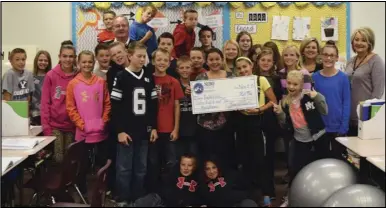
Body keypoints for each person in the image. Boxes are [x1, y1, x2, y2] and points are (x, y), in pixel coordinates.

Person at [110, 42, 158, 206]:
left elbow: (153, 105)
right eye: (139, 56)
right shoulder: (121, 76)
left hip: (144, 130)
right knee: (124, 168)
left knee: (141, 168)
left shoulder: (148, 76)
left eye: (144, 56)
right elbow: (115, 106)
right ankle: (123, 198)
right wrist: (120, 131)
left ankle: (138, 198)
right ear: (129, 56)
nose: (142, 59)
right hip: (127, 131)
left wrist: (154, 128)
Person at [273, 70, 329, 207]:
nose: (291, 87)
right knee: (295, 169)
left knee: (319, 168)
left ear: (302, 85)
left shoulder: (309, 97)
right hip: (299, 141)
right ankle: (290, 197)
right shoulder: (285, 102)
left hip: (318, 138)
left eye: (295, 84)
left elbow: (325, 111)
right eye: (289, 83)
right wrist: (279, 113)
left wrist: (318, 96)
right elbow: (285, 124)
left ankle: (323, 197)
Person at [66, 50, 111, 195]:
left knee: (102, 162)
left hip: (101, 131)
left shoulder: (100, 81)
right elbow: (71, 108)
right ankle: (82, 190)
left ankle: (102, 188)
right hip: (83, 132)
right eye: (84, 62)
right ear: (78, 63)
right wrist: (81, 124)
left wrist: (104, 121)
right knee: (83, 163)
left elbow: (107, 103)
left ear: (94, 63)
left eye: (90, 62)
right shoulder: (73, 84)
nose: (87, 64)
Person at [235, 56, 277, 206]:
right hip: (241, 123)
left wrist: (259, 109)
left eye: (245, 67)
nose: (242, 70)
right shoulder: (235, 83)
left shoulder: (261, 80)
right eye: (239, 68)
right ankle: (249, 195)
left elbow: (273, 101)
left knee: (260, 160)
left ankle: (266, 194)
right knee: (245, 160)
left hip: (257, 123)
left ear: (251, 66)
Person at [147, 48, 184, 193]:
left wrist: (176, 128)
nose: (162, 62)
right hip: (153, 130)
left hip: (169, 129)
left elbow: (177, 106)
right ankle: (153, 191)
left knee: (171, 161)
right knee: (153, 161)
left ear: (169, 63)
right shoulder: (148, 80)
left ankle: (170, 190)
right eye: (159, 59)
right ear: (153, 61)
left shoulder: (173, 81)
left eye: (165, 60)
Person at [195, 48, 235, 169]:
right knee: (207, 155)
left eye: (217, 59)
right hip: (205, 125)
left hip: (226, 124)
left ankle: (224, 183)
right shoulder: (200, 78)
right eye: (211, 59)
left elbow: (236, 98)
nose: (214, 62)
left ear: (222, 60)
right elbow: (197, 100)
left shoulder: (231, 77)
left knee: (225, 155)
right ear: (206, 62)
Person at [312, 41, 351, 157]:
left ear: (337, 58)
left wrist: (344, 126)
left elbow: (346, 102)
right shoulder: (314, 77)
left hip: (338, 126)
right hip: (320, 127)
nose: (328, 58)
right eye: (325, 55)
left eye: (332, 55)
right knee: (321, 158)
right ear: (321, 56)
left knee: (338, 158)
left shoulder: (343, 78)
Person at [345, 27, 385, 136]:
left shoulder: (376, 61)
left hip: (366, 117)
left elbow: (378, 92)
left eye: (363, 40)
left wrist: (367, 116)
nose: (359, 43)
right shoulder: (351, 61)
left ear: (370, 43)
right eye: (356, 39)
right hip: (349, 116)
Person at [41, 43, 77, 162]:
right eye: (65, 56)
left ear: (75, 58)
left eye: (71, 56)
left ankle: (69, 181)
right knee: (58, 158)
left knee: (70, 157)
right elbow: (45, 103)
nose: (68, 59)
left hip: (72, 125)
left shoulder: (78, 75)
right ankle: (58, 181)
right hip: (55, 124)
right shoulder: (50, 75)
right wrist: (46, 128)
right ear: (59, 57)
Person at [176, 56, 198, 157]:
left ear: (192, 69)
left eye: (188, 67)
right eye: (182, 68)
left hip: (194, 129)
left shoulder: (197, 85)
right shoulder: (174, 84)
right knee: (179, 156)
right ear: (177, 70)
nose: (185, 70)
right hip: (179, 128)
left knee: (193, 156)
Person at [31, 50, 52, 125]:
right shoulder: (30, 77)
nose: (43, 62)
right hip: (34, 115)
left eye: (45, 60)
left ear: (49, 62)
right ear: (36, 61)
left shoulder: (51, 77)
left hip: (49, 115)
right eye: (40, 60)